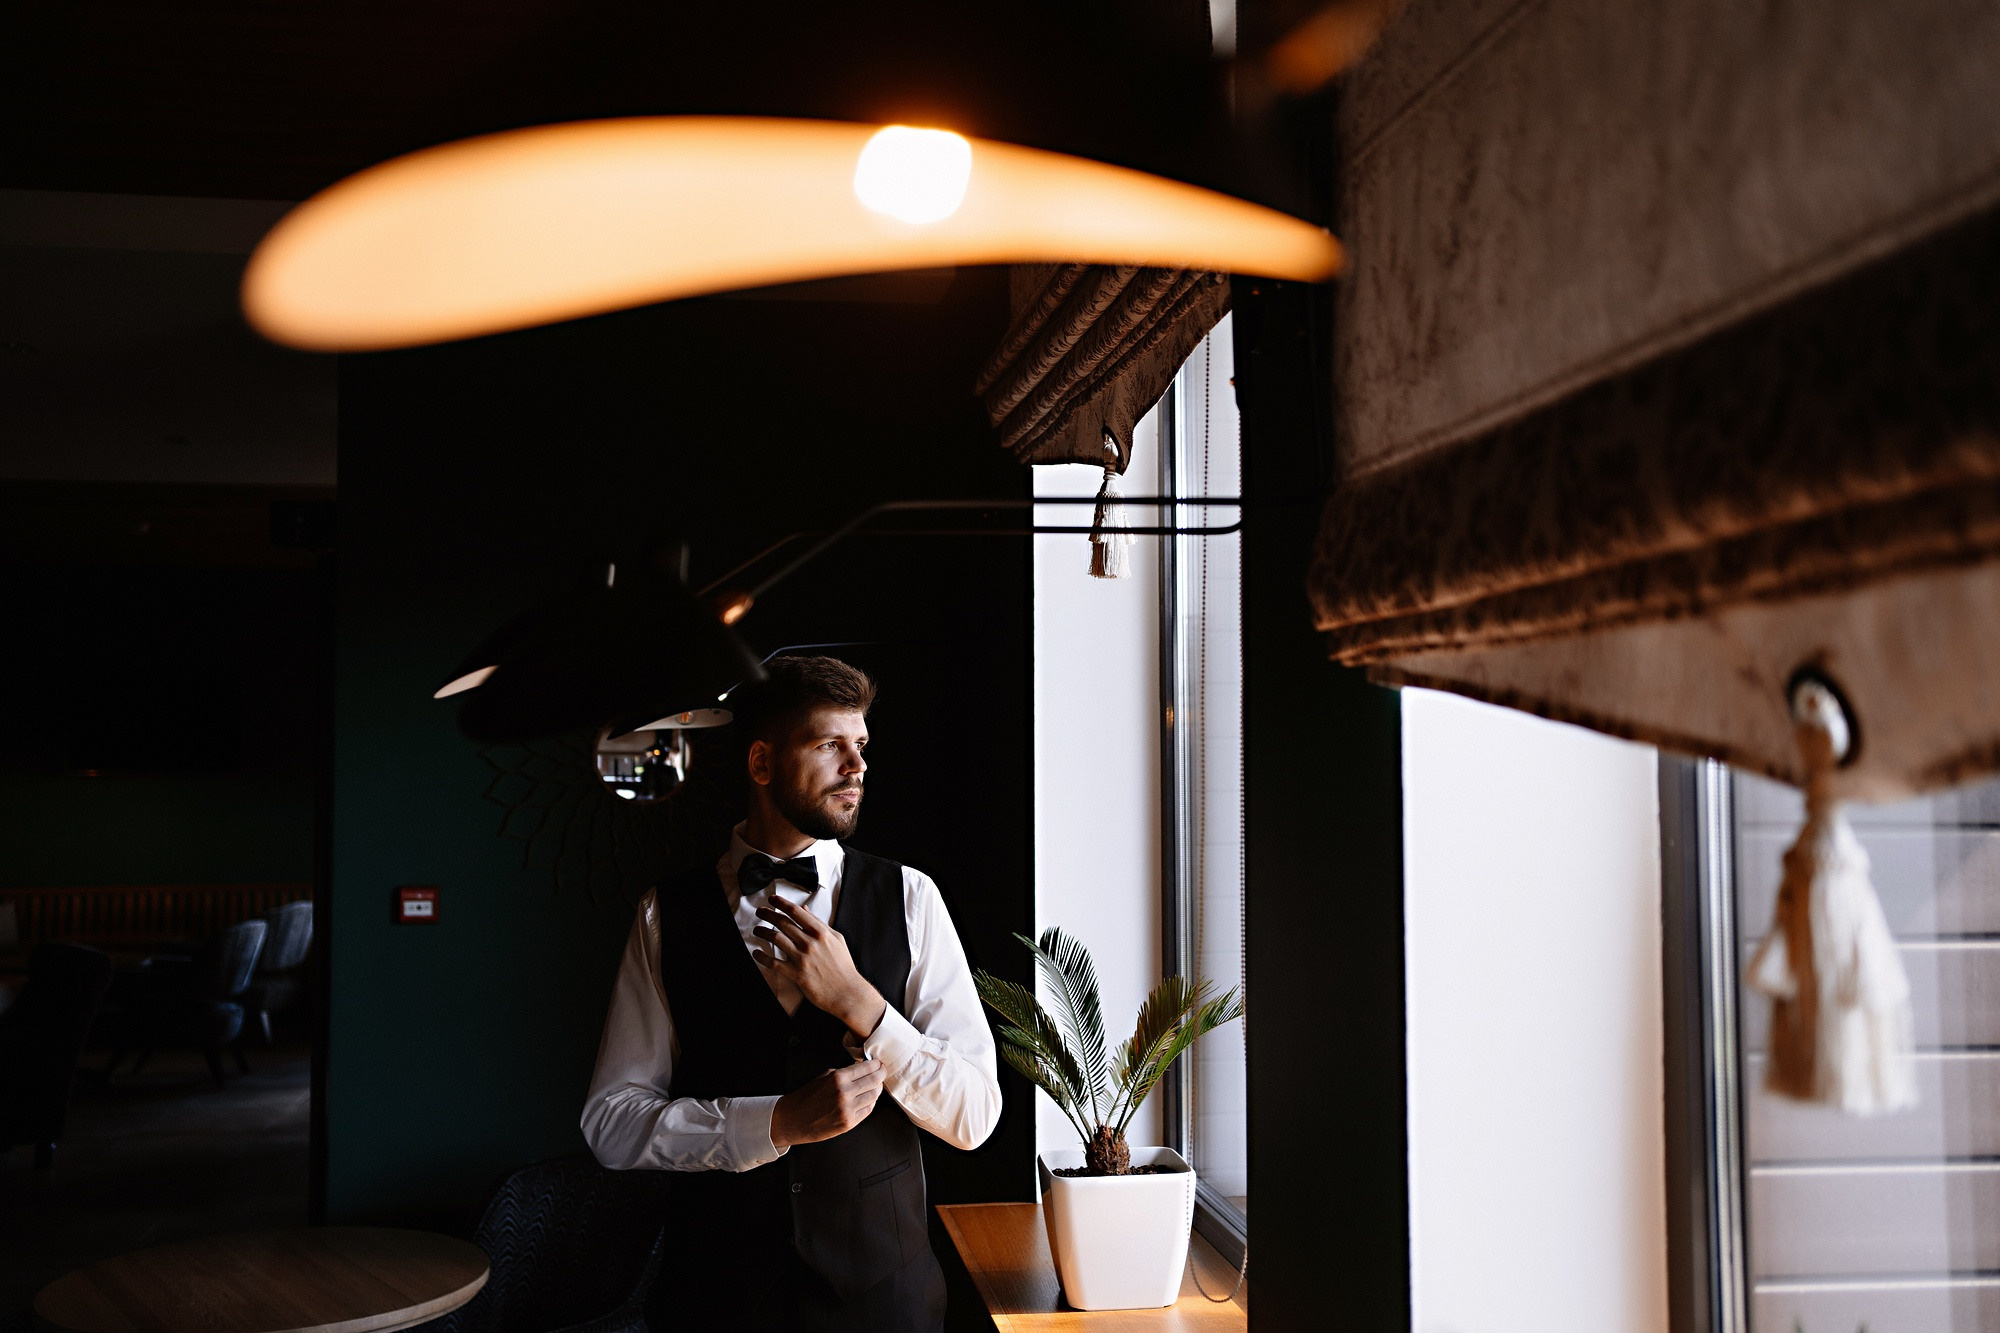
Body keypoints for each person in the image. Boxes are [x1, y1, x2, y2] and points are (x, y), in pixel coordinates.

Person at [582, 654, 1000, 1332]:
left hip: (885, 1303)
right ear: (762, 763)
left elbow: (975, 1114)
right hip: (716, 1300)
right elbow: (612, 1120)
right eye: (830, 744)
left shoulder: (912, 898)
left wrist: (863, 1005)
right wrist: (772, 1124)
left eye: (860, 745)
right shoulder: (664, 913)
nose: (857, 765)